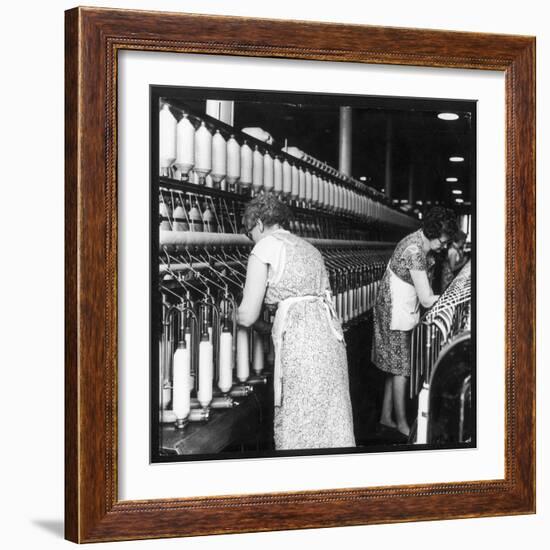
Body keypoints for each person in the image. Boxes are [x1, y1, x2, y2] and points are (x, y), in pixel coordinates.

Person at [237, 193, 355, 450]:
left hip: (302, 347)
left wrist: (230, 315)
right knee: (329, 418)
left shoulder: (264, 247)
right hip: (329, 340)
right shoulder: (308, 247)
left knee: (301, 417)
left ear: (258, 224)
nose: (251, 240)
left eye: (249, 233)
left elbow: (247, 315)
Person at [372, 207, 458, 438]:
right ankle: (401, 423)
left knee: (395, 365)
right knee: (401, 369)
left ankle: (386, 417)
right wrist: (452, 298)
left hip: (400, 306)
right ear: (434, 231)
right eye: (444, 240)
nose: (444, 245)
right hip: (395, 311)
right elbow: (428, 298)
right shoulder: (414, 251)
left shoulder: (421, 245)